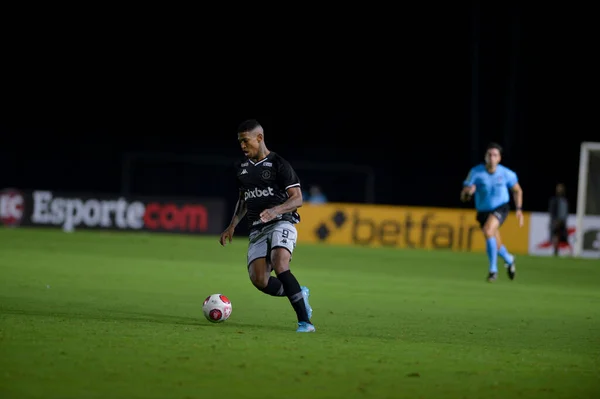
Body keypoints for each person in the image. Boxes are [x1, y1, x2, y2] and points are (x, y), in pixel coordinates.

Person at [219, 119, 315, 333]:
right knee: (260, 280)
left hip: (283, 222)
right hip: (257, 228)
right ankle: (299, 292)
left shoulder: (279, 164)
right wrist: (232, 225)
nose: (242, 146)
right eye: (240, 142)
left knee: (280, 263)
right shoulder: (241, 168)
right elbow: (244, 199)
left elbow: (297, 198)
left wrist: (276, 210)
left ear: (259, 138)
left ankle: (305, 322)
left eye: (246, 141)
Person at [461, 142, 524, 282]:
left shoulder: (506, 173)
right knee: (496, 243)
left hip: (501, 207)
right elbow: (463, 196)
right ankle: (509, 258)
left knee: (488, 231)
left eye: (495, 155)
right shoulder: (476, 172)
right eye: (489, 155)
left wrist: (519, 209)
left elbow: (517, 190)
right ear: (485, 157)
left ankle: (493, 270)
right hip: (483, 211)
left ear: (499, 158)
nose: (492, 158)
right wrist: (468, 193)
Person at [548, 183, 571, 256]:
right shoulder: (554, 200)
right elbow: (552, 211)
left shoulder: (565, 200)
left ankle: (568, 251)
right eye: (559, 188)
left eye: (561, 189)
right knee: (555, 236)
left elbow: (565, 212)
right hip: (556, 221)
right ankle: (555, 251)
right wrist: (555, 220)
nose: (560, 190)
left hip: (563, 221)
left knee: (564, 236)